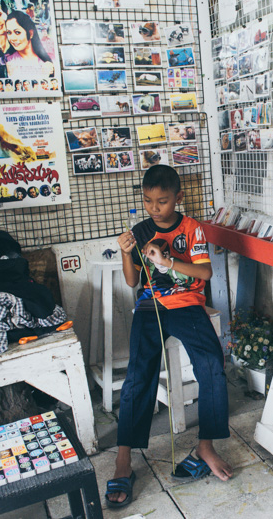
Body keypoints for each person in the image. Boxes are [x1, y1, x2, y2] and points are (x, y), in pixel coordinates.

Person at [107, 165, 232, 508]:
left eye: (162, 202)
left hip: (188, 304)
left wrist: (168, 262)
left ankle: (205, 446)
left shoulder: (192, 229)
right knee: (138, 376)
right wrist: (125, 252)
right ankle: (123, 460)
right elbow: (133, 282)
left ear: (178, 198)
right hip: (150, 307)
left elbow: (204, 272)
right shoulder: (140, 230)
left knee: (211, 365)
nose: (154, 208)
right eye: (148, 201)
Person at [5, 11, 55, 79]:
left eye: (17, 32)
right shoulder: (8, 61)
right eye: (9, 33)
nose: (12, 38)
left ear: (31, 33)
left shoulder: (47, 61)